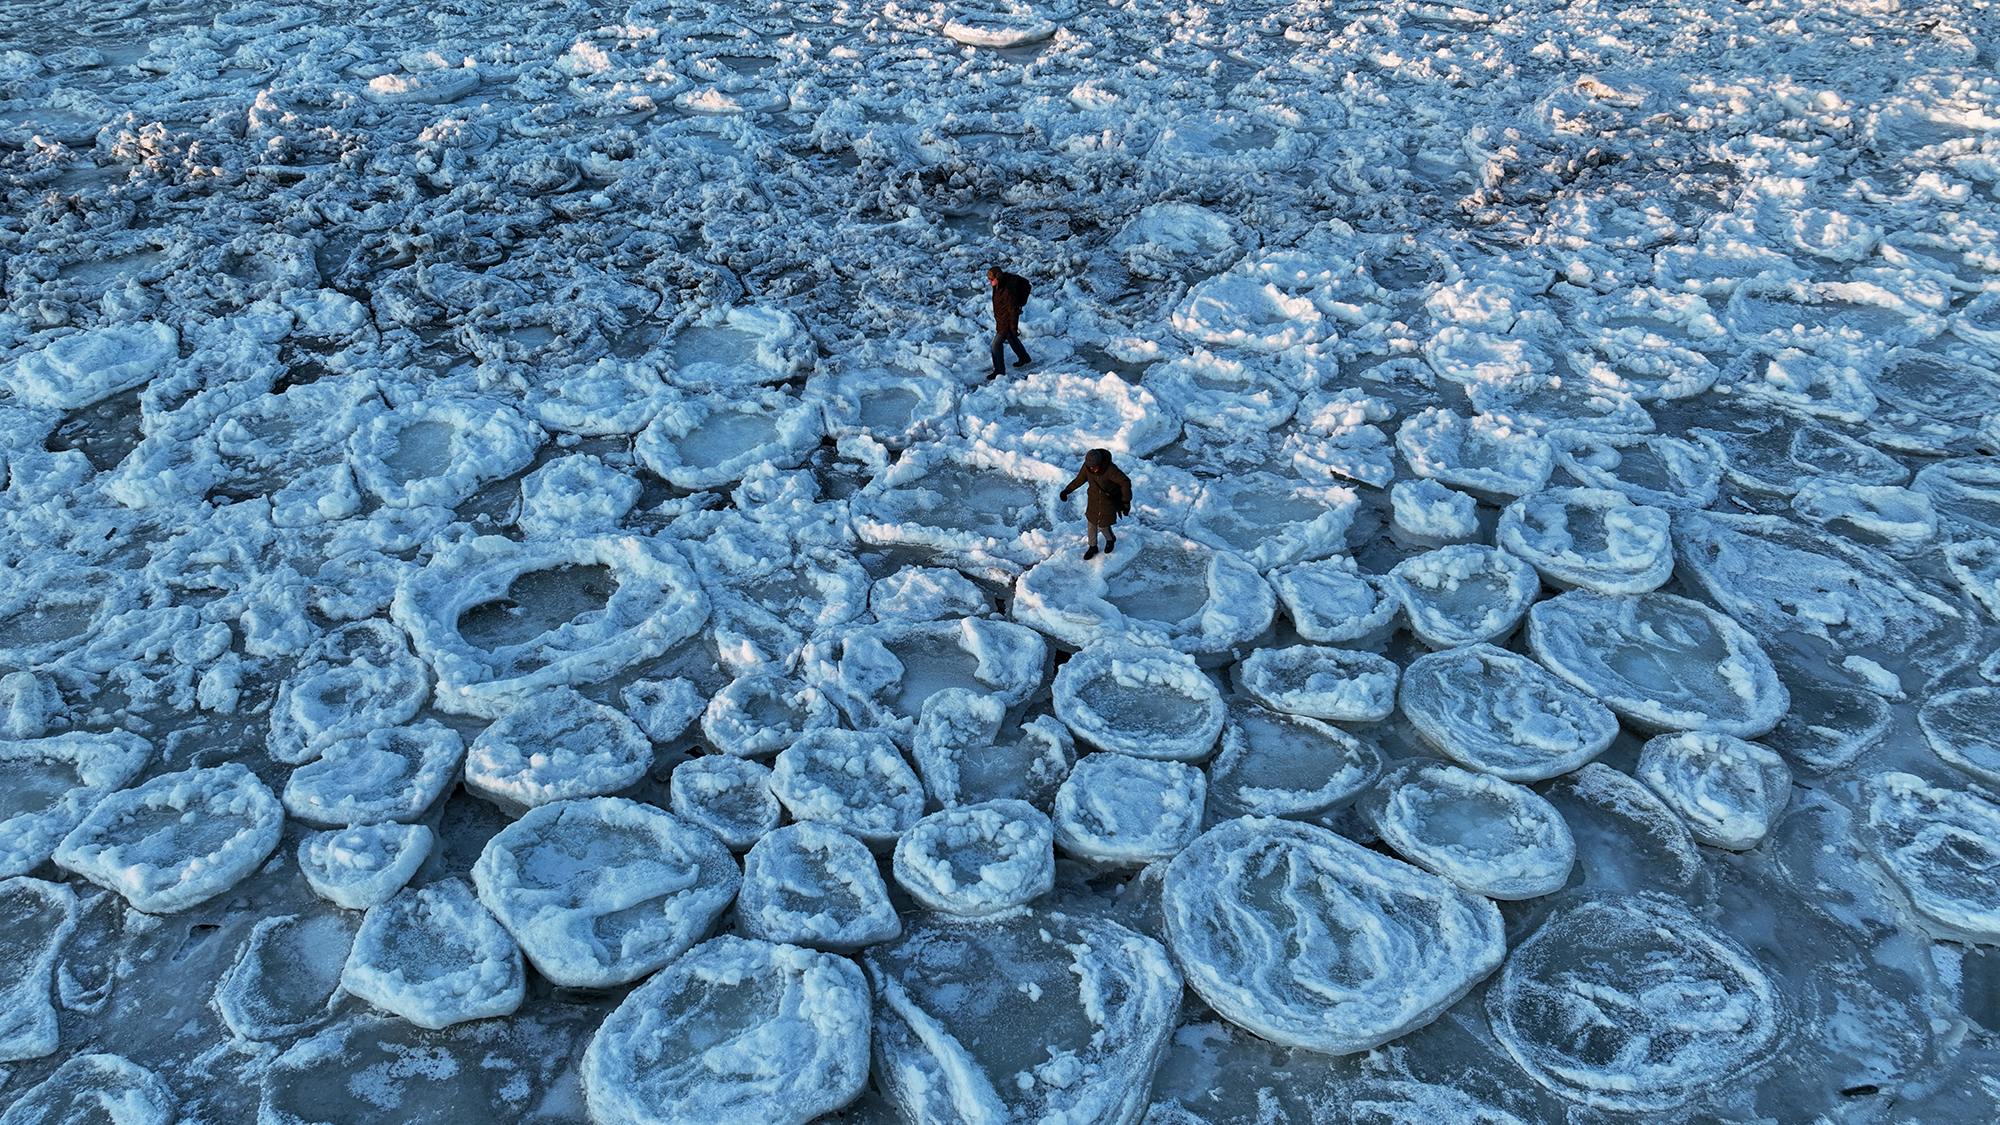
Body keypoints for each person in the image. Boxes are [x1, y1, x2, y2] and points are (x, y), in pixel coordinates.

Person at [1059, 448, 1132, 560]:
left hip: (1107, 502)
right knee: (1091, 524)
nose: (1092, 469)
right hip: (1093, 500)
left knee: (1103, 526)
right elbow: (1079, 480)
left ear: (1100, 463)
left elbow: (1125, 482)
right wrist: (1066, 491)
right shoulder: (1087, 467)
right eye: (1090, 467)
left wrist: (1126, 501)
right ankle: (1092, 546)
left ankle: (1110, 539)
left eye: (1095, 467)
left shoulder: (1110, 469)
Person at [988, 266, 1033, 378]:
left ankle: (999, 371)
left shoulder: (1007, 290)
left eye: (991, 279)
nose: (990, 282)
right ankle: (1024, 357)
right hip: (1001, 319)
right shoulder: (999, 285)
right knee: (1011, 337)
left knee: (996, 346)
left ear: (997, 278)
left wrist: (1013, 327)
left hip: (1006, 322)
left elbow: (1013, 311)